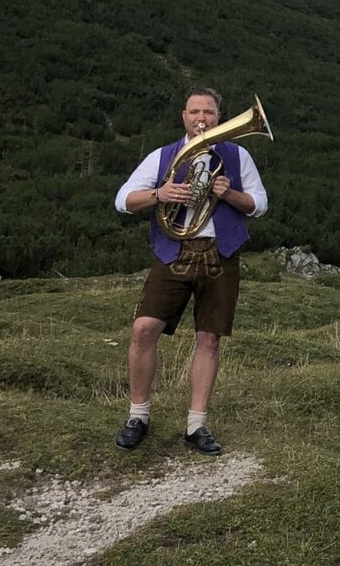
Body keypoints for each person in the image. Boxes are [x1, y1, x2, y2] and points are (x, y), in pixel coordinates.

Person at [112, 88, 267, 456]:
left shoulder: (238, 155)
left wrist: (229, 194)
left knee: (209, 338)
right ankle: (138, 416)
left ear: (219, 117)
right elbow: (122, 200)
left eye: (208, 112)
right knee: (143, 328)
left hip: (220, 253)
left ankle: (196, 424)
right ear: (183, 116)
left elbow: (259, 205)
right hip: (174, 251)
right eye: (195, 112)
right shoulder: (163, 156)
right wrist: (160, 194)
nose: (201, 119)